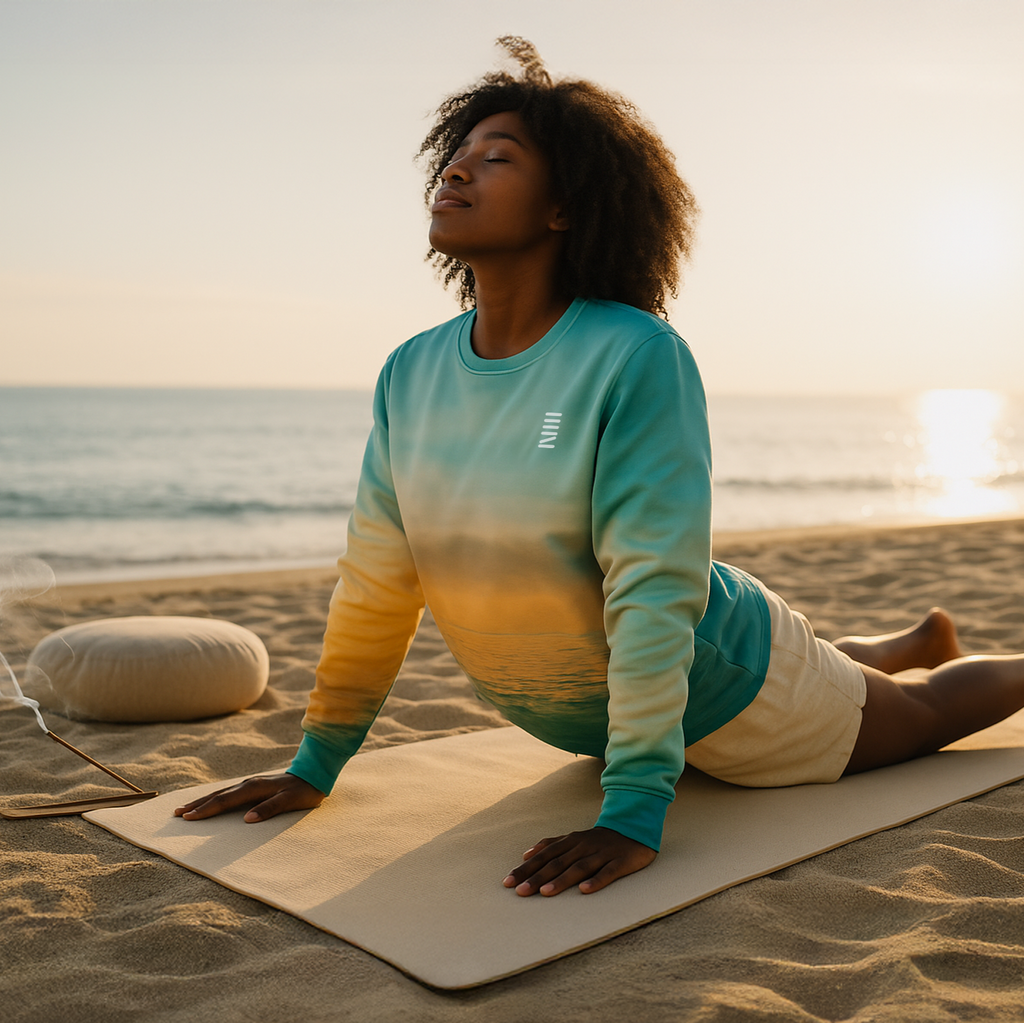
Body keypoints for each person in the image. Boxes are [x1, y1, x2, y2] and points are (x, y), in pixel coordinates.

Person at [176, 38, 1024, 898]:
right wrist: (315, 764)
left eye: (496, 158)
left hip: (729, 691)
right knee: (838, 677)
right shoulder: (411, 369)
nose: (458, 173)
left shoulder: (634, 353)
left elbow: (653, 589)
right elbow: (377, 582)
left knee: (924, 717)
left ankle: (938, 661)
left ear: (565, 210)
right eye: (457, 156)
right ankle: (906, 642)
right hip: (619, 705)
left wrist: (634, 809)